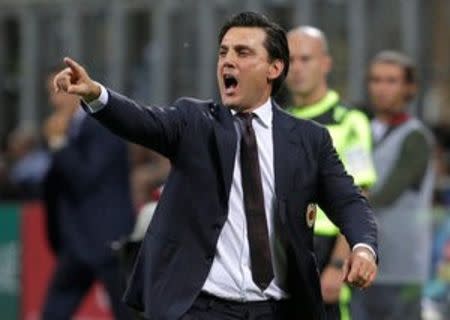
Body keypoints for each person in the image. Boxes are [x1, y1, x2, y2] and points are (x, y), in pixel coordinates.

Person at [53, 12, 378, 320]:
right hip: (202, 307)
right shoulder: (194, 122)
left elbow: (348, 200)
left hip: (277, 309)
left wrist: (362, 248)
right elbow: (142, 121)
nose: (228, 60)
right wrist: (96, 95)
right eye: (223, 52)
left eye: (243, 52)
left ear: (274, 68)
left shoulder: (310, 139)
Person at [285, 26, 377, 319]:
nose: (296, 68)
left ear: (325, 63)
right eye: (290, 60)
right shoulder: (277, 119)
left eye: (305, 59)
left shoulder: (350, 121)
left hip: (326, 248)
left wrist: (337, 265)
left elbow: (359, 196)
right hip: (284, 248)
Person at [41, 70, 135, 319]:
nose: (54, 101)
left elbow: (86, 179)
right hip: (76, 243)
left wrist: (59, 144)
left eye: (59, 91)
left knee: (127, 313)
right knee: (53, 313)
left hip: (107, 242)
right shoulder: (67, 129)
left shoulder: (104, 124)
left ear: (75, 90)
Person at [351, 51, 435, 320]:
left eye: (391, 81)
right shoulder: (360, 130)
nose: (382, 88)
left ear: (409, 88)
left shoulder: (416, 138)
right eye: (376, 80)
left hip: (401, 266)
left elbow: (384, 194)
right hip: (361, 262)